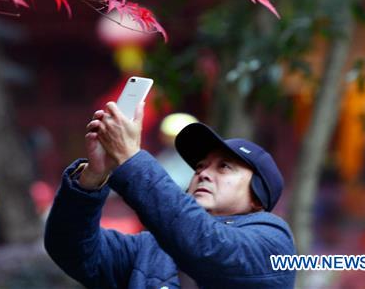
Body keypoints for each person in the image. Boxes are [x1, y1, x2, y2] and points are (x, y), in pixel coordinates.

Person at [44, 100, 296, 288]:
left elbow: (207, 246)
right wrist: (92, 178)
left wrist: (131, 158)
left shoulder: (274, 240)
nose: (203, 174)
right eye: (200, 167)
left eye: (224, 167)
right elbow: (71, 250)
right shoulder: (149, 247)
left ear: (257, 199)